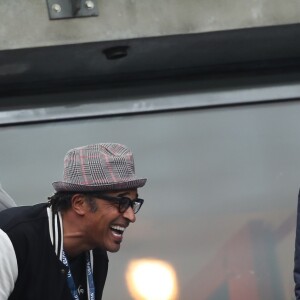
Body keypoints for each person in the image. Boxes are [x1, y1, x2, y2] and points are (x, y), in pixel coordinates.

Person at [0, 143, 147, 300]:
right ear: (79, 203)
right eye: (121, 202)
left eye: (132, 203)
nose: (131, 216)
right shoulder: (11, 239)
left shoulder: (96, 254)